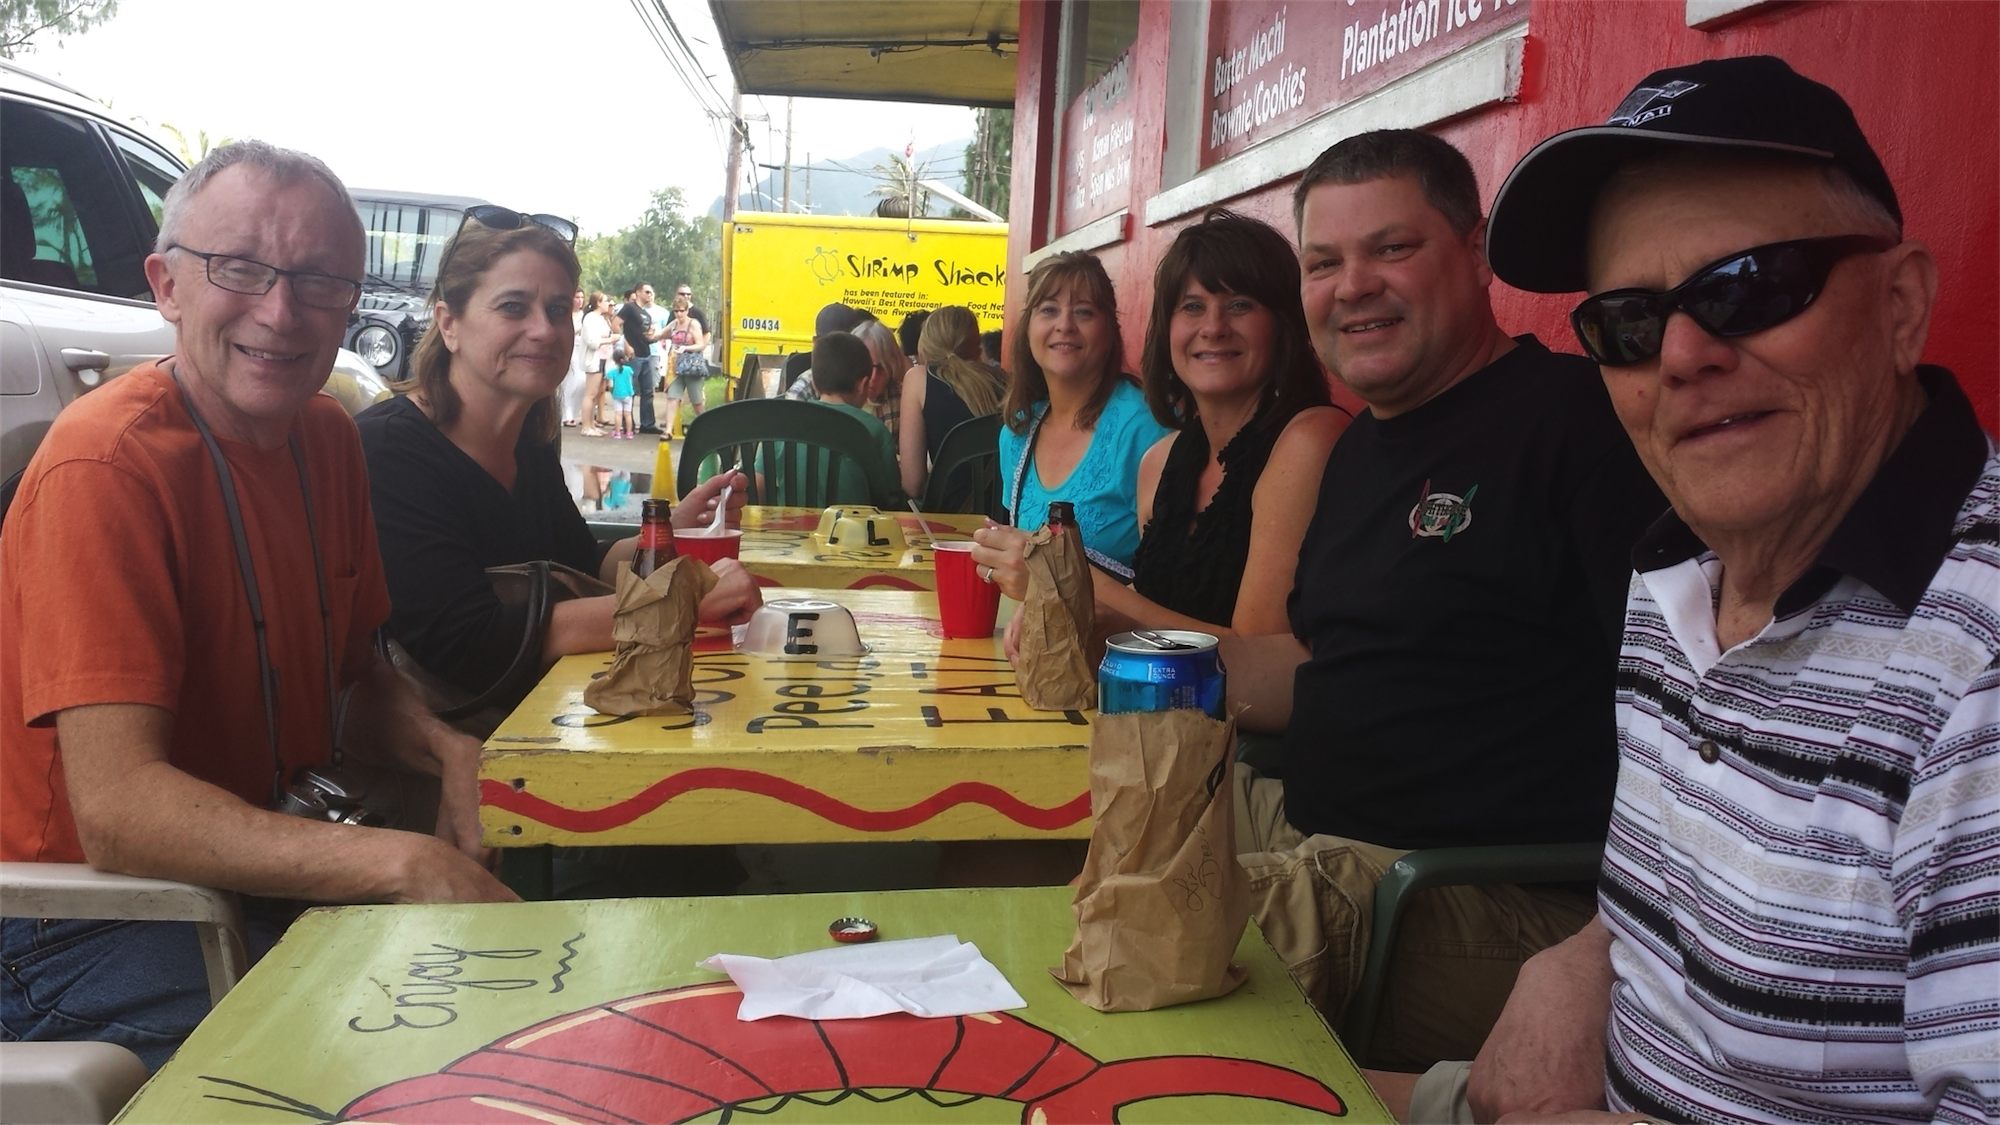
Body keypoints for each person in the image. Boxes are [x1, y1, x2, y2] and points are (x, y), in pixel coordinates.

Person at [1390, 56, 2000, 1125]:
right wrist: (1584, 956)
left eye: (1749, 288)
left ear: (1901, 304)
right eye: (1626, 321)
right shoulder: (1678, 563)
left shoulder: (1973, 670)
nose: (1678, 355)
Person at [0, 140, 516, 1071]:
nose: (281, 312)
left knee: (497, 997)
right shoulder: (104, 469)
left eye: (321, 280)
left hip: (243, 874)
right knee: (379, 1053)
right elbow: (118, 812)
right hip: (73, 914)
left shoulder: (327, 437)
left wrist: (449, 752)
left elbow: (355, 675)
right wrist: (400, 861)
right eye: (240, 269)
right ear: (167, 286)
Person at [1215, 129, 1666, 1068]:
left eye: (1392, 248)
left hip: (1478, 893)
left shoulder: (1577, 420)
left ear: (1474, 249)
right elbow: (1317, 665)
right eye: (1324, 262)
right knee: (1082, 807)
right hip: (1320, 839)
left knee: (1159, 933)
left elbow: (1686, 711)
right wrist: (1118, 659)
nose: (1354, 286)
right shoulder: (1360, 449)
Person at [356, 210, 760, 705]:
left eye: (555, 309)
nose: (544, 331)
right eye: (513, 307)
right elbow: (469, 642)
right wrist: (674, 605)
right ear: (448, 324)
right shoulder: (389, 450)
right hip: (444, 756)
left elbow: (579, 566)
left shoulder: (530, 437)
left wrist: (669, 532)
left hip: (542, 719)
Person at [1103, 209, 1349, 639]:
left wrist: (1085, 590)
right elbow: (1150, 604)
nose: (1213, 327)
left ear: (1282, 325)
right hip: (1160, 706)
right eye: (1192, 307)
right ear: (1166, 330)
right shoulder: (1159, 462)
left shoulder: (1310, 438)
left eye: (1239, 305)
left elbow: (1256, 653)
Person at [971, 252, 1172, 584]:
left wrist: (1047, 578)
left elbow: (1168, 588)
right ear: (1028, 328)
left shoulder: (1145, 428)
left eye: (1084, 312)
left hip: (1121, 635)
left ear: (1110, 329)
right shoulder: (1018, 432)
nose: (1064, 325)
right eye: (1048, 310)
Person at [755, 332, 897, 506]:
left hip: (789, 530)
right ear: (864, 385)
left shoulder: (782, 424)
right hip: (852, 532)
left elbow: (758, 488)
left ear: (814, 382)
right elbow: (891, 502)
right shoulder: (874, 430)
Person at [897, 304, 1006, 500]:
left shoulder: (918, 380)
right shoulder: (1008, 382)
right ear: (977, 344)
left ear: (926, 343)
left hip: (944, 520)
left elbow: (913, 485)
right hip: (1005, 522)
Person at [786, 302, 872, 401]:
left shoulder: (870, 383)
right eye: (831, 347)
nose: (838, 354)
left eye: (845, 347)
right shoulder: (802, 392)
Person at [850, 316, 908, 443]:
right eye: (866, 366)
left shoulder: (903, 397)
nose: (873, 376)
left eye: (882, 368)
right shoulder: (813, 387)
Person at [617, 282, 664, 434]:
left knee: (648, 391)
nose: (650, 295)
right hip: (633, 355)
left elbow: (646, 336)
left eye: (651, 292)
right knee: (629, 390)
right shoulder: (629, 308)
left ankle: (647, 424)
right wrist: (625, 343)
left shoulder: (647, 314)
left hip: (647, 354)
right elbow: (615, 324)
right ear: (638, 292)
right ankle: (627, 424)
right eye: (647, 292)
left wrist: (654, 337)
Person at [661, 285, 710, 429]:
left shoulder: (696, 318)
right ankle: (668, 430)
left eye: (681, 311)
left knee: (697, 401)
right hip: (676, 364)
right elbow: (662, 334)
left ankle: (707, 427)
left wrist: (692, 350)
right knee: (673, 397)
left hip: (691, 364)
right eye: (676, 311)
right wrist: (647, 335)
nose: (678, 314)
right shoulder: (674, 321)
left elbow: (704, 338)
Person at [579, 290, 617, 436]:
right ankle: (586, 426)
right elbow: (592, 342)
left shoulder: (602, 318)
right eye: (606, 301)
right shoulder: (590, 318)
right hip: (593, 360)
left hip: (602, 359)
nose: (609, 304)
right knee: (590, 394)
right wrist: (610, 339)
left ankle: (592, 424)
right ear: (598, 303)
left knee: (596, 393)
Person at [559, 287, 588, 426]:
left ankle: (574, 412)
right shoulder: (566, 315)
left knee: (581, 383)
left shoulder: (585, 315)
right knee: (569, 382)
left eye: (582, 298)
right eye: (577, 297)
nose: (580, 301)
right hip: (568, 350)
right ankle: (566, 414)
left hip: (582, 350)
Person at [608, 354, 637, 438]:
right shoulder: (629, 369)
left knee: (618, 414)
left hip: (617, 394)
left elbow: (610, 385)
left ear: (614, 361)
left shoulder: (612, 371)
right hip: (628, 394)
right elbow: (631, 379)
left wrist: (612, 392)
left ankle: (617, 433)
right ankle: (629, 433)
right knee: (628, 414)